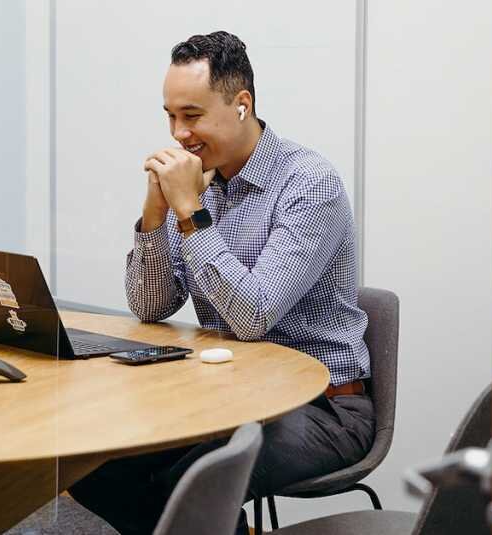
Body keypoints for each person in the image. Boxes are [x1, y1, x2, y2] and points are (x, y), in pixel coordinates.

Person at [68, 31, 375, 534]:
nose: (178, 133)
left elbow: (251, 318)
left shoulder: (308, 183)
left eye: (191, 115)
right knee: (91, 466)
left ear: (240, 104)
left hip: (324, 406)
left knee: (190, 481)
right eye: (170, 116)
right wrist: (155, 213)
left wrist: (189, 211)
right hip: (231, 396)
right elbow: (151, 304)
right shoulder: (196, 183)